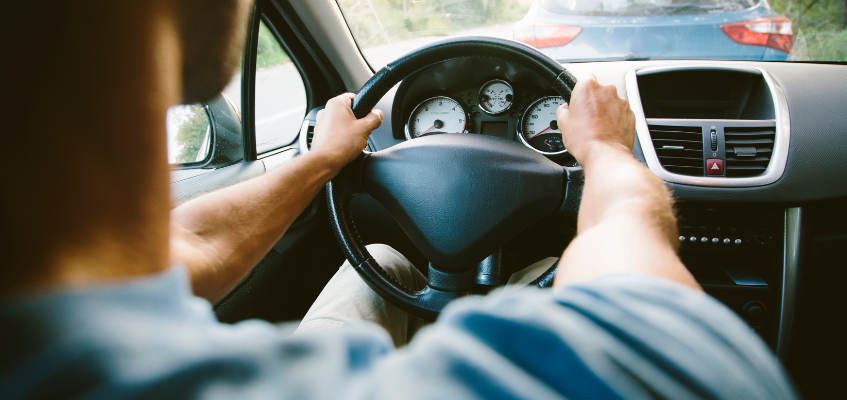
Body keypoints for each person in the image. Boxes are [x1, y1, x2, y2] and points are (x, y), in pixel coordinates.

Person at [0, 1, 796, 399]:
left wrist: (322, 163)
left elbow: (192, 248)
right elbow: (650, 296)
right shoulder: (617, 371)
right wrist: (604, 155)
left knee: (382, 259)